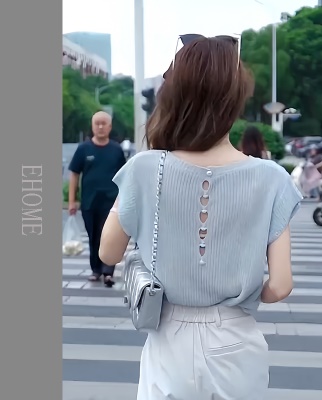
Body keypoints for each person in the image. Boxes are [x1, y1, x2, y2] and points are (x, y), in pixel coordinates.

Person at [99, 35, 303, 399]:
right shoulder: (272, 178)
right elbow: (281, 285)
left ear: (173, 97)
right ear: (235, 99)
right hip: (237, 338)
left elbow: (108, 253)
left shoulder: (145, 168)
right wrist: (238, 295)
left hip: (168, 336)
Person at [68, 111, 126, 287]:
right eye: (97, 123)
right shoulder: (83, 149)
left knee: (109, 236)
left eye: (103, 123)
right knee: (93, 236)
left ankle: (108, 272)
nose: (100, 127)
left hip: (111, 203)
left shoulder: (116, 150)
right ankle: (96, 270)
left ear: (109, 127)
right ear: (92, 126)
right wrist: (72, 201)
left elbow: (125, 176)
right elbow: (74, 175)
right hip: (89, 202)